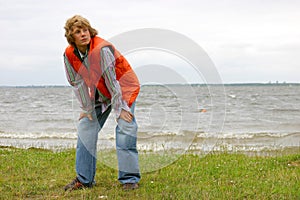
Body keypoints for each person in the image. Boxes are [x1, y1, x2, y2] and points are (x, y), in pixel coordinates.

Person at [63, 15, 141, 191]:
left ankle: (129, 179)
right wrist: (87, 108)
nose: (83, 34)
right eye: (77, 32)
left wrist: (120, 109)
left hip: (123, 87)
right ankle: (84, 180)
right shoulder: (69, 54)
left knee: (125, 128)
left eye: (85, 30)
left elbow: (112, 80)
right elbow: (77, 82)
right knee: (85, 127)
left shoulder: (101, 49)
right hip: (99, 92)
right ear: (71, 37)